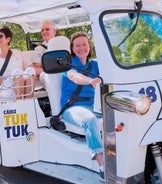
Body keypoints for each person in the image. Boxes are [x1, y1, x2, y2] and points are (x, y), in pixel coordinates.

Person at [60, 32, 104, 181]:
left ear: (89, 47)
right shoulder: (68, 65)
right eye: (77, 45)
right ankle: (103, 166)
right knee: (89, 120)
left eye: (84, 44)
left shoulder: (95, 64)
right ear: (72, 48)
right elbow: (75, 77)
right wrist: (91, 81)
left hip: (94, 105)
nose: (81, 48)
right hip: (72, 108)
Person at [0, 26, 36, 100]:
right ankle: (20, 103)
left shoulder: (18, 53)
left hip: (22, 85)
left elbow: (31, 68)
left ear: (8, 39)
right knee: (17, 72)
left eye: (0, 36)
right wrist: (9, 77)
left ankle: (28, 101)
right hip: (4, 88)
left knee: (30, 70)